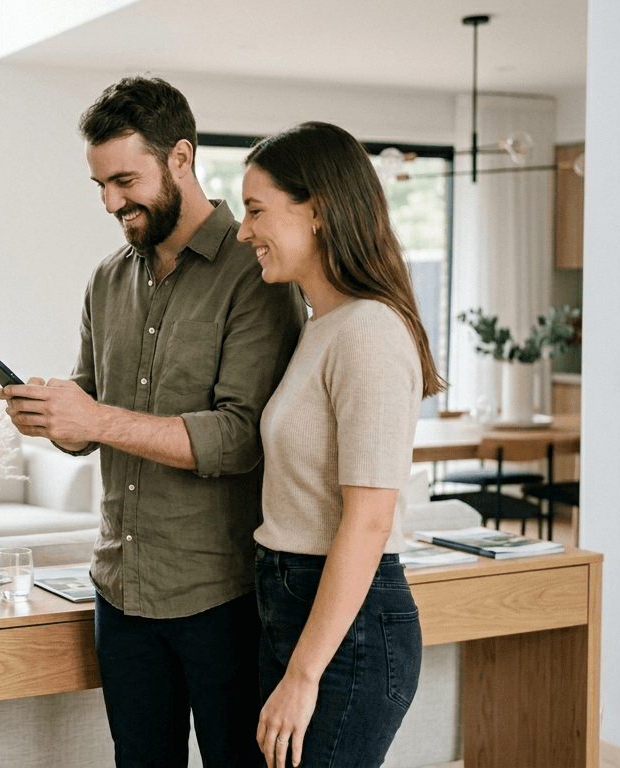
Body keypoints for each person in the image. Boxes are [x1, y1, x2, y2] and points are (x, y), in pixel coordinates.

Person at [0, 76, 305, 767]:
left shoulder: (255, 273)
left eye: (125, 180)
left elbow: (239, 436)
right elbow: (91, 405)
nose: (112, 202)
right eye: (100, 185)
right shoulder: (107, 279)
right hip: (120, 589)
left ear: (181, 158)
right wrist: (55, 418)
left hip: (219, 595)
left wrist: (97, 419)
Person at [238, 121, 447, 768]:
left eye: (255, 210)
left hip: (346, 628)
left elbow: (369, 520)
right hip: (290, 596)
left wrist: (303, 677)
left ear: (319, 212)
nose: (243, 231)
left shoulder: (369, 332)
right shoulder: (321, 325)